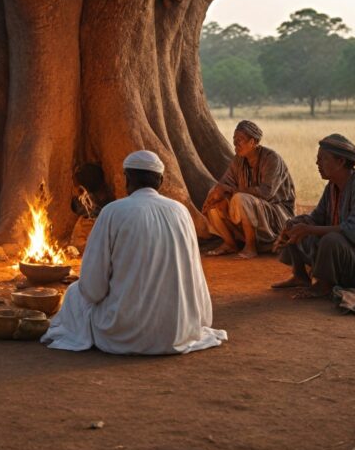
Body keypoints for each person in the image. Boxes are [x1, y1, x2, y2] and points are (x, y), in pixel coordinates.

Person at [42, 150, 227, 355]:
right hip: (178, 330)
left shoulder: (113, 211)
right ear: (161, 180)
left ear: (127, 179)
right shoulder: (181, 211)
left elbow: (93, 289)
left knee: (75, 294)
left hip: (125, 333)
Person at [272, 133, 355, 297]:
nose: (317, 163)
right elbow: (316, 219)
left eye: (323, 159)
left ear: (341, 161)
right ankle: (300, 276)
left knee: (331, 239)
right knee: (295, 224)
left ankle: (324, 286)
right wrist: (295, 226)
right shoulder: (332, 186)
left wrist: (309, 229)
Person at [202, 120, 295, 258]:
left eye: (240, 140)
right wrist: (215, 194)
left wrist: (231, 191)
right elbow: (224, 184)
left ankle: (251, 247)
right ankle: (230, 243)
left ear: (252, 142)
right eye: (234, 139)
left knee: (240, 198)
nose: (235, 144)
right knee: (216, 196)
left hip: (277, 212)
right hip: (254, 207)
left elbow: (266, 193)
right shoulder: (238, 160)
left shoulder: (272, 159)